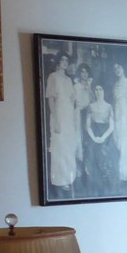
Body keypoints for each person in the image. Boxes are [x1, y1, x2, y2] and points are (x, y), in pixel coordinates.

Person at [45, 53, 79, 195]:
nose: (65, 62)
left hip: (69, 116)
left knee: (69, 147)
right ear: (58, 62)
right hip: (59, 116)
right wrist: (56, 120)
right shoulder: (53, 77)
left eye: (67, 60)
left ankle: (69, 177)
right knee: (60, 147)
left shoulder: (68, 80)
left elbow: (72, 100)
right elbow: (51, 100)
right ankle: (60, 180)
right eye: (62, 60)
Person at [83, 84, 117, 195]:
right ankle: (93, 189)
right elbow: (87, 125)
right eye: (96, 89)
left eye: (100, 89)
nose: (98, 91)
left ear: (104, 91)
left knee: (105, 160)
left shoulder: (109, 106)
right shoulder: (91, 106)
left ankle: (106, 191)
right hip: (93, 133)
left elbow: (112, 126)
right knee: (92, 158)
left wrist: (103, 138)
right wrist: (93, 137)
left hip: (105, 135)